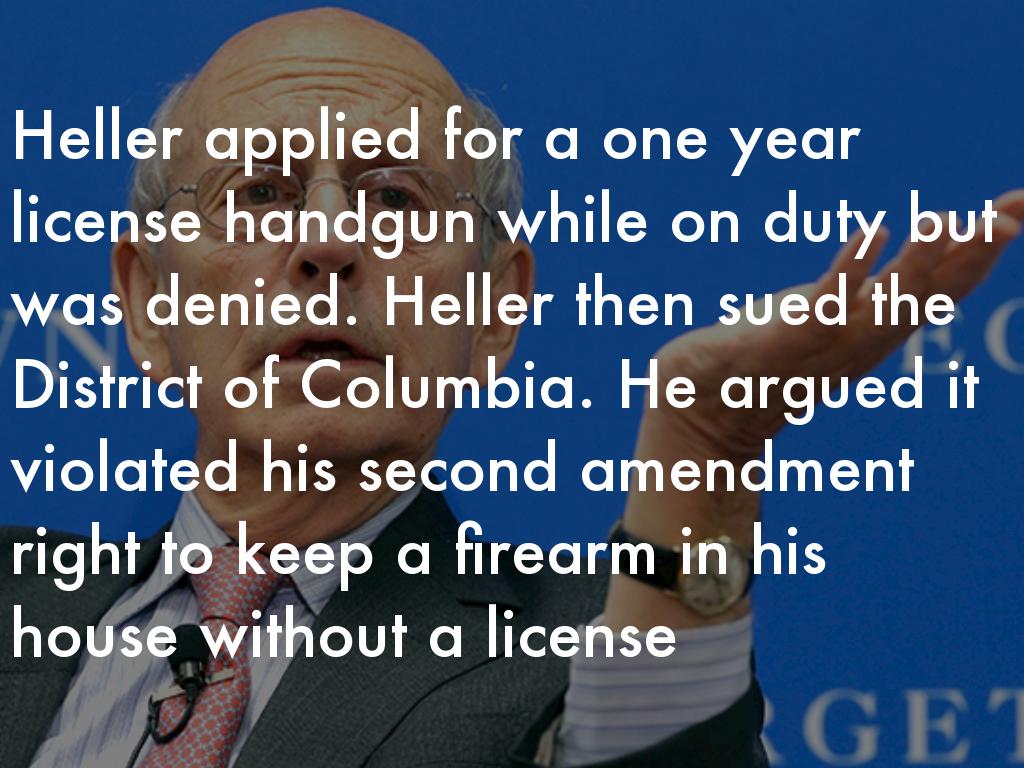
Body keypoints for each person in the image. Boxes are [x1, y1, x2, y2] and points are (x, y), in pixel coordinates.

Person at [2, 8, 1022, 768]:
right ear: (147, 300)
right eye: (260, 191)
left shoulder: (583, 651)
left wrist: (703, 448)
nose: (327, 239)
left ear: (493, 309)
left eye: (394, 199)